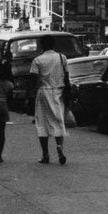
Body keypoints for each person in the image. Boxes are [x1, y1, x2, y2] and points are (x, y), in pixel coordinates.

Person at [29, 35, 70, 164]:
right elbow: (67, 77)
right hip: (59, 91)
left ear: (42, 45)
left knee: (42, 123)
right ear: (53, 45)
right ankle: (59, 147)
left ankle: (45, 154)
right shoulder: (62, 58)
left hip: (43, 92)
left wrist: (30, 96)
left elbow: (33, 79)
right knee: (58, 120)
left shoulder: (37, 60)